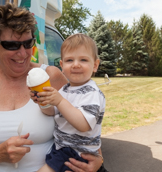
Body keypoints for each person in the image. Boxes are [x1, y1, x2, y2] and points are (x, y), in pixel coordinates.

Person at [0, 3, 104, 171]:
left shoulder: (51, 76)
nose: (23, 53)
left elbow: (83, 124)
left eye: (28, 43)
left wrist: (97, 159)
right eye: (12, 45)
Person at [30, 33, 106, 172]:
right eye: (70, 60)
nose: (76, 65)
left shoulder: (92, 93)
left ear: (95, 65)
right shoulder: (66, 89)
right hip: (62, 149)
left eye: (83, 60)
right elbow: (52, 111)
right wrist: (43, 102)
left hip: (79, 154)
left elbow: (83, 124)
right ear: (62, 65)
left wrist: (59, 101)